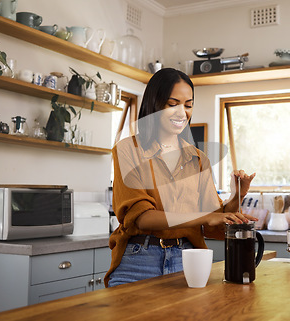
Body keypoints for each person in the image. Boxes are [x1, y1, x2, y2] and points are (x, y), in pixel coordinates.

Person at [105, 68, 256, 287]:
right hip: (139, 260)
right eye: (172, 103)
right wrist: (204, 217)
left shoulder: (198, 158)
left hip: (189, 260)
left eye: (188, 105)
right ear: (155, 103)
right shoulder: (128, 150)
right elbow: (142, 217)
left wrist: (237, 195)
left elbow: (215, 223)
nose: (182, 112)